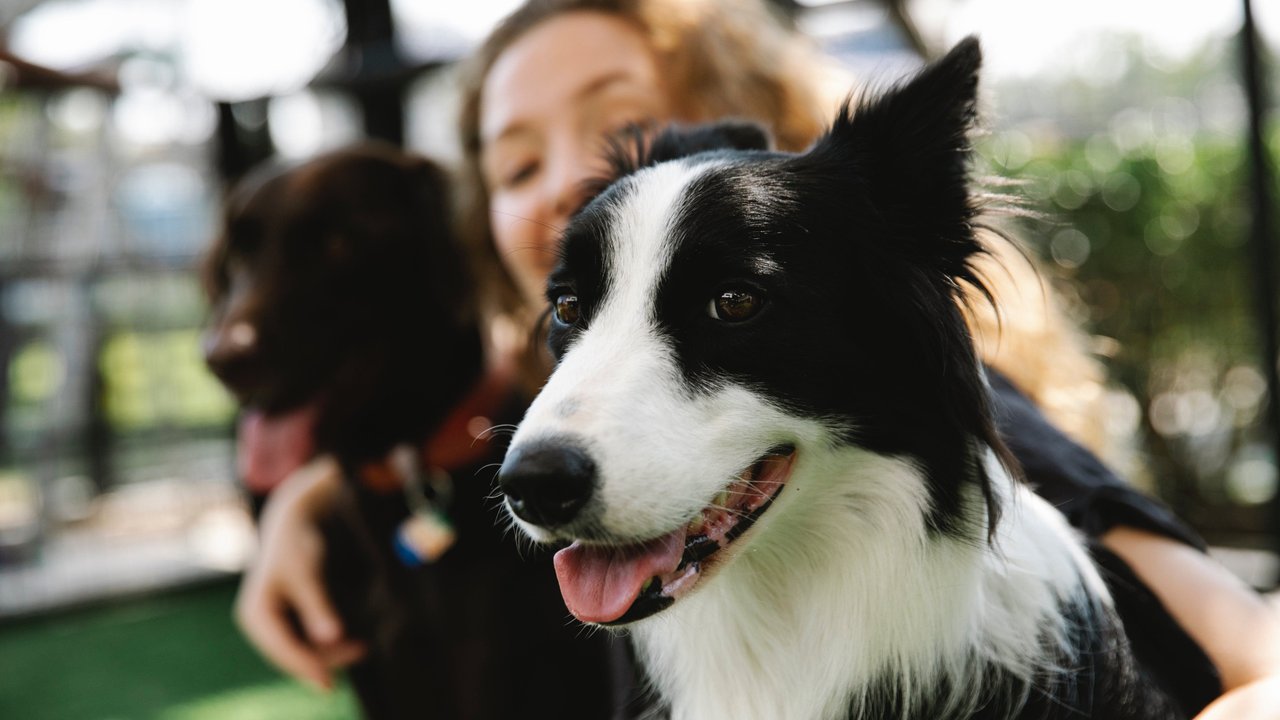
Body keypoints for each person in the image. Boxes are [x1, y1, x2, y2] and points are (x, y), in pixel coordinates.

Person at [235, 1, 1280, 718]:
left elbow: (1255, 660)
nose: (564, 182)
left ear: (733, 120)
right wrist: (317, 490)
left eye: (621, 123)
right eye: (514, 160)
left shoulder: (954, 396)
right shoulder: (562, 408)